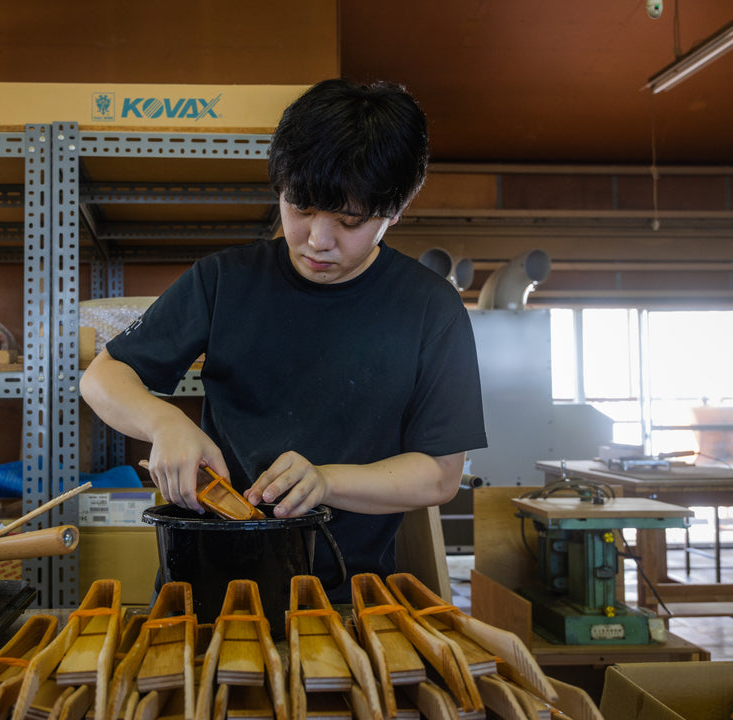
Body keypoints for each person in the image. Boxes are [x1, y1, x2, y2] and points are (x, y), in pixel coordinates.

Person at [81, 78, 486, 599]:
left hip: (344, 594)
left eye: (349, 221)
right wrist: (165, 425)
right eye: (300, 208)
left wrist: (327, 481)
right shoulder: (225, 280)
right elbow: (103, 377)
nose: (317, 240)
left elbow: (439, 476)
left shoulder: (431, 307)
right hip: (208, 585)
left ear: (393, 212)